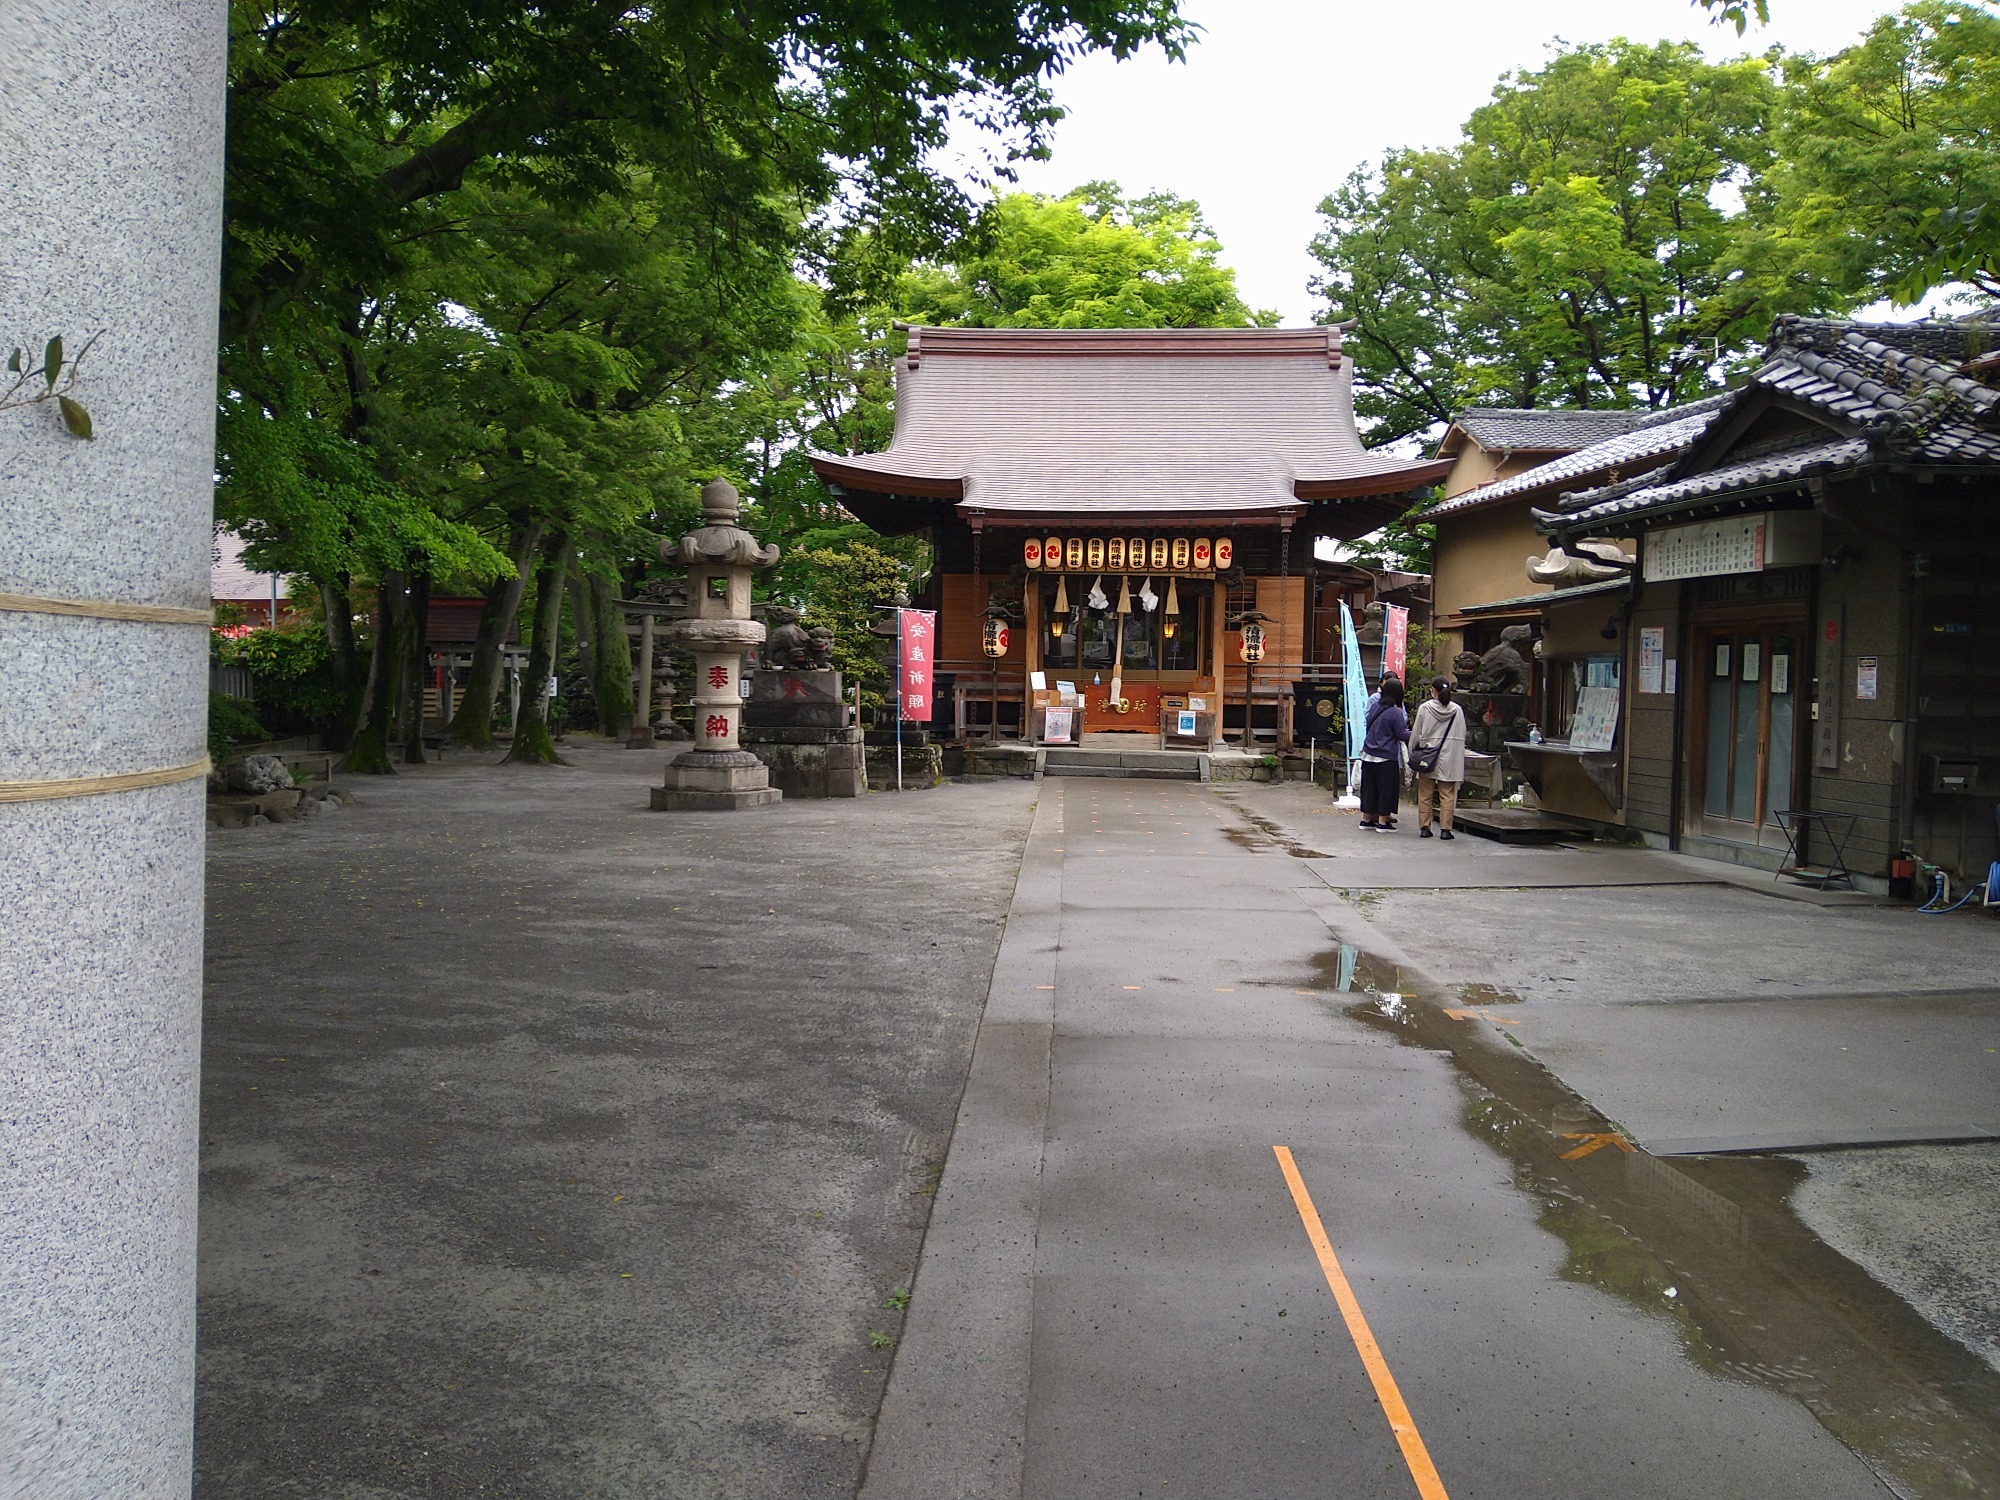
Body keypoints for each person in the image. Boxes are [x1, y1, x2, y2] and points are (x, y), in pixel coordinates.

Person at [1410, 676, 1468, 840]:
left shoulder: (1425, 708)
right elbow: (1462, 734)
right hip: (1450, 757)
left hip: (1428, 755)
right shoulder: (1457, 710)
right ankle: (1445, 829)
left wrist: (1412, 751)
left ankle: (1425, 827)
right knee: (1447, 794)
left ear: (1433, 690)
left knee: (1425, 793)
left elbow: (1416, 733)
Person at [1357, 675, 1408, 832]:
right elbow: (1401, 734)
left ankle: (1366, 819)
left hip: (1368, 753)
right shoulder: (1395, 712)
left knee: (1369, 788)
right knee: (1386, 789)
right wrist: (1417, 735)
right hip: (1386, 756)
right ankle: (1382, 822)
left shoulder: (1375, 707)